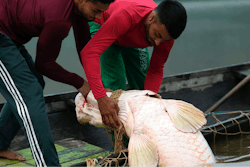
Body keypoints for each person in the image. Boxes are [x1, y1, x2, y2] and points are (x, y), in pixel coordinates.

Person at [0, 0, 114, 166]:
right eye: (96, 11)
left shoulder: (79, 9)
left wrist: (99, 89)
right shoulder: (59, 20)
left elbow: (85, 49)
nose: (97, 17)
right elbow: (44, 64)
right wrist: (80, 83)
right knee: (29, 94)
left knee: (35, 82)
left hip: (10, 35)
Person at [80, 0, 187, 129]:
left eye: (163, 39)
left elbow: (156, 69)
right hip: (106, 26)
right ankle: (121, 143)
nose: (158, 43)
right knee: (114, 91)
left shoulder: (164, 36)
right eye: (157, 35)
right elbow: (89, 53)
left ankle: (144, 131)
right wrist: (101, 99)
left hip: (135, 37)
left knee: (145, 90)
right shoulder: (127, 15)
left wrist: (150, 100)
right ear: (151, 18)